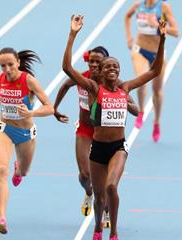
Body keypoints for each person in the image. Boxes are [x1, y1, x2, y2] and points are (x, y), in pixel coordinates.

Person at [62, 15, 165, 240]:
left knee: (111, 188)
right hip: (97, 148)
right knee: (99, 198)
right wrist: (72, 34)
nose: (111, 69)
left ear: (118, 71)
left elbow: (154, 71)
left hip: (118, 147)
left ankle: (114, 232)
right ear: (101, 71)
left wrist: (162, 39)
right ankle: (98, 227)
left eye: (115, 67)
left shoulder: (124, 88)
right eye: (107, 66)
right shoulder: (93, 88)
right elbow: (67, 68)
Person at [54, 47, 138, 227]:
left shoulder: (116, 83)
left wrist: (128, 104)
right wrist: (55, 108)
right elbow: (65, 85)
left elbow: (134, 107)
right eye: (90, 61)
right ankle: (88, 192)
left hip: (106, 136)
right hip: (85, 129)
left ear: (103, 66)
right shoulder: (83, 78)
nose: (92, 65)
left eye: (97, 62)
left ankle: (107, 211)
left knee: (109, 182)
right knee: (85, 175)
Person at [0, 48, 54, 234]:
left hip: (26, 133)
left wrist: (31, 112)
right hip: (5, 129)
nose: (7, 69)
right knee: (1, 169)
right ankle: (2, 218)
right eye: (3, 66)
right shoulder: (0, 78)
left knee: (23, 172)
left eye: (10, 64)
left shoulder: (29, 81)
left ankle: (19, 169)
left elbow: (50, 108)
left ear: (18, 62)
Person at [125, 0, 179, 141]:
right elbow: (127, 16)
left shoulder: (163, 7)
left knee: (157, 91)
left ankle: (156, 121)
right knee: (141, 80)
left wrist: (156, 24)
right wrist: (129, 37)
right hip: (140, 50)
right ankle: (141, 111)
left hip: (157, 55)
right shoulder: (138, 5)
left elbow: (176, 31)